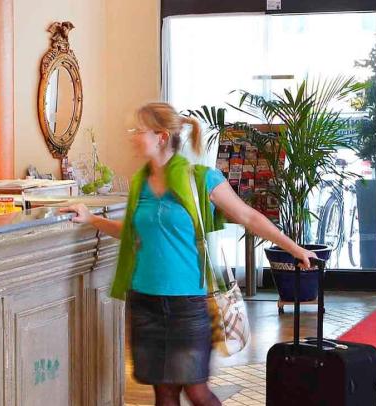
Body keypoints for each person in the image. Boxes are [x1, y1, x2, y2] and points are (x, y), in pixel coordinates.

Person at [62, 102, 316, 406]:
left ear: (161, 137)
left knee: (197, 392)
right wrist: (91, 219)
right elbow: (131, 233)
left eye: (138, 130)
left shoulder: (201, 179)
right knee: (164, 393)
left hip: (188, 304)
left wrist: (295, 248)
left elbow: (249, 217)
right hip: (145, 301)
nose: (132, 136)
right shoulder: (140, 183)